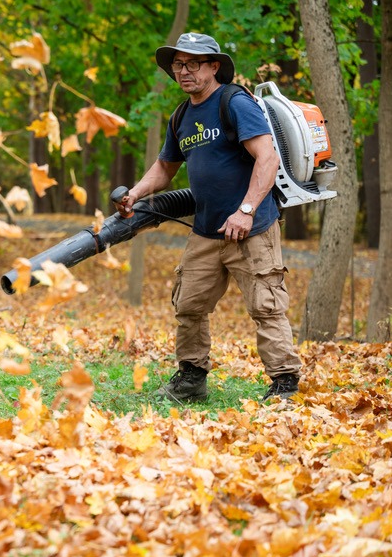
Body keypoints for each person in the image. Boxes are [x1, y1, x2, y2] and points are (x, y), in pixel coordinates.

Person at [118, 32, 302, 402]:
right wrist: (136, 193)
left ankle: (285, 385)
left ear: (213, 66)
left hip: (252, 228)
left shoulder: (234, 103)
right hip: (206, 231)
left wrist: (246, 211)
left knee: (266, 307)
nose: (184, 72)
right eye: (178, 64)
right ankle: (191, 379)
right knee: (188, 306)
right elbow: (165, 167)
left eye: (193, 63)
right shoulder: (181, 116)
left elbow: (268, 158)